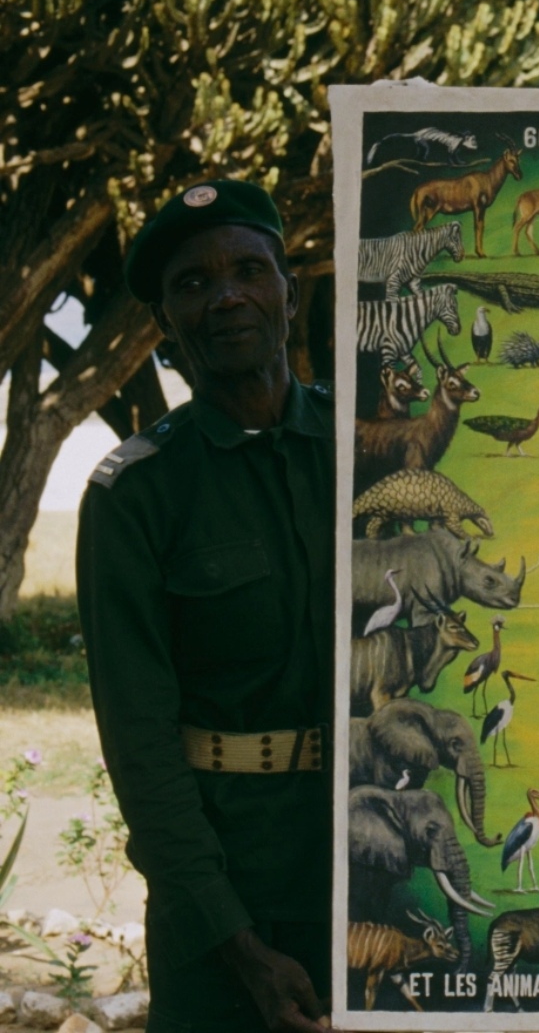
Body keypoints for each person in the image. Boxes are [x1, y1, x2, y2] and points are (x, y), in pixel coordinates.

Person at [77, 180, 334, 1033]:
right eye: (192, 283)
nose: (225, 295)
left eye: (248, 271)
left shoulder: (367, 447)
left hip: (374, 872)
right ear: (164, 331)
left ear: (288, 296)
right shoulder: (137, 496)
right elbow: (141, 749)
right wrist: (237, 945)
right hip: (222, 890)